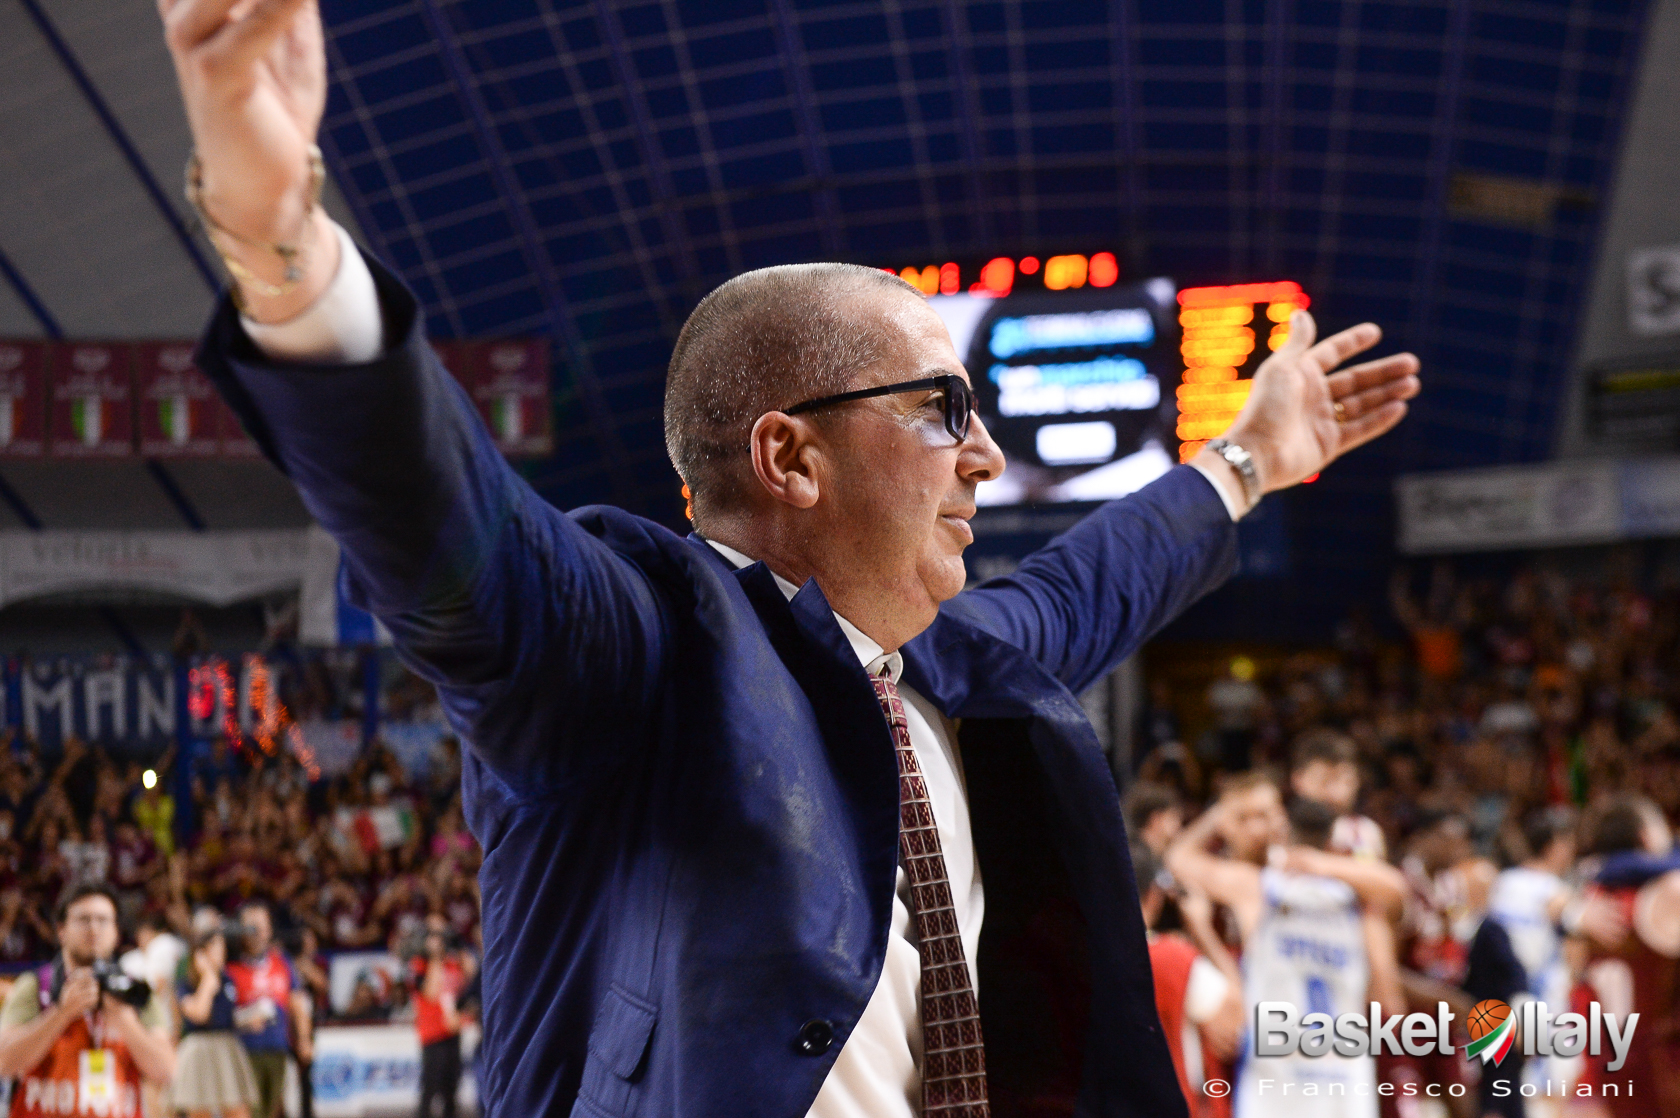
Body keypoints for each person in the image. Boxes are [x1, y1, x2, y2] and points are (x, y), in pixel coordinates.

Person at [156, 0, 1420, 1111]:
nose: (985, 455)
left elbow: (1107, 571)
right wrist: (286, 247)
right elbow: (443, 521)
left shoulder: (959, 658)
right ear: (790, 457)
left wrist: (1251, 460)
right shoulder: (635, 647)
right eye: (943, 411)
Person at [1166, 797, 1406, 1118]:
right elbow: (1397, 888)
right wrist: (1326, 864)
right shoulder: (1361, 902)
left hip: (1277, 1080)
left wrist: (1219, 812)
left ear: (1283, 833)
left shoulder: (1256, 888)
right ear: (1332, 841)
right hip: (1342, 1079)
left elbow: (1177, 859)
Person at [0, 884, 176, 1118]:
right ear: (61, 930)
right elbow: (4, 1063)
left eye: (103, 920)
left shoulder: (134, 991)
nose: (94, 928)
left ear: (116, 932)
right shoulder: (35, 986)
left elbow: (166, 1072)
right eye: (83, 919)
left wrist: (124, 1020)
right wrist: (60, 1014)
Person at [1133, 844, 1241, 1118]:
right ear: (1154, 895)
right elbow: (1240, 1023)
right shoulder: (1170, 956)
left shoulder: (1076, 959)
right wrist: (1202, 927)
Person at [224, 903, 311, 1118]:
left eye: (260, 926)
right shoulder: (230, 967)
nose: (256, 933)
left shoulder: (281, 962)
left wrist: (304, 1039)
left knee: (273, 1108)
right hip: (242, 1053)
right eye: (250, 926)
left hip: (277, 1049)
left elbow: (297, 1003)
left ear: (269, 930)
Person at [173, 925, 259, 1118]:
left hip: (227, 1048)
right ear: (201, 952)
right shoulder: (186, 983)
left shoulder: (227, 979)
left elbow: (226, 1015)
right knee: (199, 1109)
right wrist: (207, 980)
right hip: (199, 1051)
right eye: (217, 948)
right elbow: (199, 1014)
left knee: (238, 1108)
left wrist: (246, 1022)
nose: (223, 953)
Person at [1288, 729, 1384, 861]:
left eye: (1345, 781)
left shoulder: (1363, 832)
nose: (1335, 793)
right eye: (1324, 781)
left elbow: (1379, 876)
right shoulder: (1278, 829)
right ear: (1298, 780)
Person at [411, 922, 474, 1118]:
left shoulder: (453, 963)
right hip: (432, 1035)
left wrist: (461, 947)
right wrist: (435, 958)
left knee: (451, 1089)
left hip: (453, 1032)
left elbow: (471, 978)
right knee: (430, 1089)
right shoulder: (420, 964)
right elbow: (431, 992)